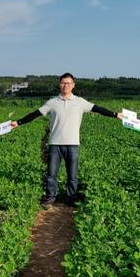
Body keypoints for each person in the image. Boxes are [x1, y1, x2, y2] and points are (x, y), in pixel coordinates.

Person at [11, 73, 122, 208]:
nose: (66, 85)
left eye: (69, 83)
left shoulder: (80, 102)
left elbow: (98, 109)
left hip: (73, 144)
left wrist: (115, 115)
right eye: (63, 83)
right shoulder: (52, 102)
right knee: (52, 174)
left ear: (73, 85)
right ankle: (51, 197)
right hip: (55, 144)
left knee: (72, 175)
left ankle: (71, 197)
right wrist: (19, 122)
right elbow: (35, 114)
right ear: (60, 84)